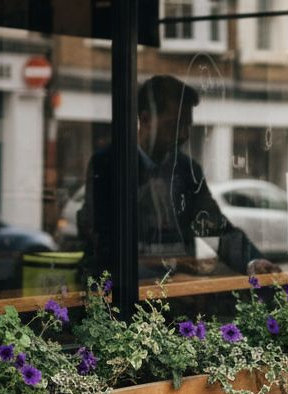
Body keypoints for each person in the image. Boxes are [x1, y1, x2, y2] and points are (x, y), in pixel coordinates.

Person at [79, 74, 276, 281]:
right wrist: (168, 279)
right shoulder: (109, 165)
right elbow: (104, 249)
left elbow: (217, 228)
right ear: (145, 120)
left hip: (182, 299)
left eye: (187, 125)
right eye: (174, 125)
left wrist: (253, 262)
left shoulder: (188, 169)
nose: (183, 135)